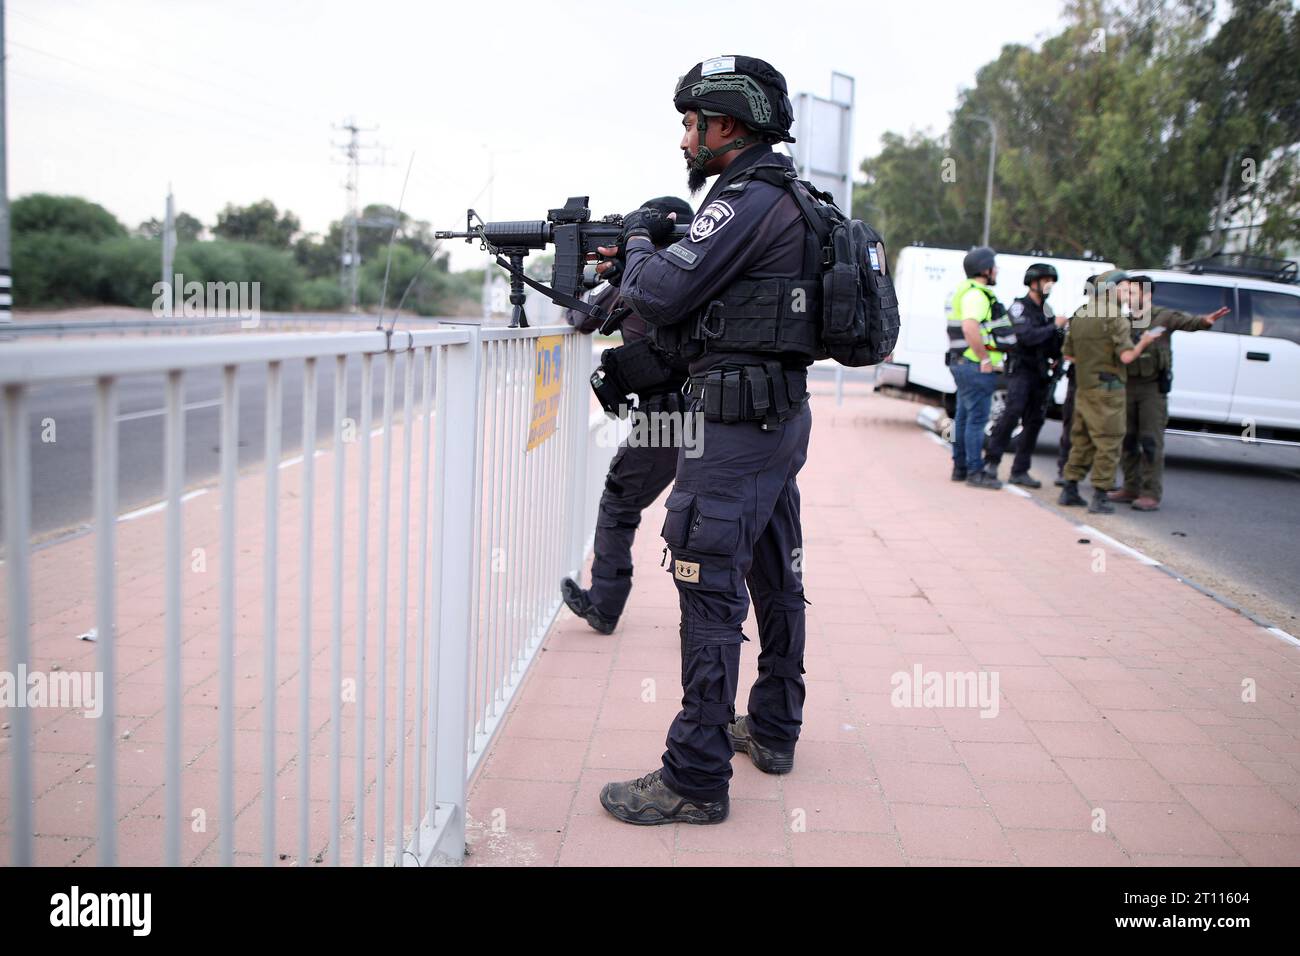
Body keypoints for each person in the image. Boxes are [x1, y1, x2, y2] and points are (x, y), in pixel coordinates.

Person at [592, 55, 817, 825]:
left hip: (732, 432)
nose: (686, 138)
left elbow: (661, 290)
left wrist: (636, 242)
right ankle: (777, 727)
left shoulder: (747, 197)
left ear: (727, 125)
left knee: (706, 588)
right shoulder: (795, 197)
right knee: (774, 575)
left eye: (692, 123)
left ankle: (694, 775)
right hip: (775, 422)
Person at [560, 196, 695, 634]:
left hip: (665, 420)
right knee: (705, 518)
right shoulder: (707, 273)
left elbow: (577, 317)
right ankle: (707, 620)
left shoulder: (639, 281)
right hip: (715, 412)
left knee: (619, 505)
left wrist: (589, 277)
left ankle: (604, 604)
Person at [1108, 275, 1229, 511]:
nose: (1129, 298)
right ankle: (1130, 486)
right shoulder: (1122, 319)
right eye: (1128, 293)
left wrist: (1205, 321)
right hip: (1127, 386)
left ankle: (1150, 492)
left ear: (1148, 295)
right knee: (1127, 439)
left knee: (1151, 440)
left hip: (1152, 389)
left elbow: (1189, 322)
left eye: (1133, 293)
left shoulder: (1163, 316)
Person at [1057, 270, 1163, 513]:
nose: (1127, 295)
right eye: (1125, 290)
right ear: (1111, 290)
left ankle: (1070, 487)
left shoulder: (1082, 312)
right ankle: (1100, 495)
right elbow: (1126, 356)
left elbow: (1068, 354)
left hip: (1084, 387)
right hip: (1109, 389)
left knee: (1081, 439)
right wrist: (1144, 342)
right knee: (1109, 441)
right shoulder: (1116, 317)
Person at [982, 262, 1067, 487]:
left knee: (1035, 420)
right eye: (1046, 281)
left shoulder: (1047, 310)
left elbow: (1049, 342)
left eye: (1052, 282)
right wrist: (1053, 327)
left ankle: (1020, 470)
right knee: (1012, 413)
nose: (1050, 286)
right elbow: (1026, 337)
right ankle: (991, 463)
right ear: (1034, 283)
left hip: (1040, 372)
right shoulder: (1019, 307)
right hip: (1021, 370)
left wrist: (1058, 349)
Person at [946, 245, 1011, 489]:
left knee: (963, 419)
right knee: (976, 421)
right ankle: (975, 471)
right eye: (994, 267)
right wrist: (985, 359)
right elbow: (970, 327)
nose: (996, 271)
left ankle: (960, 468)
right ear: (984, 269)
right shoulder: (977, 295)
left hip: (964, 364)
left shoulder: (963, 292)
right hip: (975, 366)